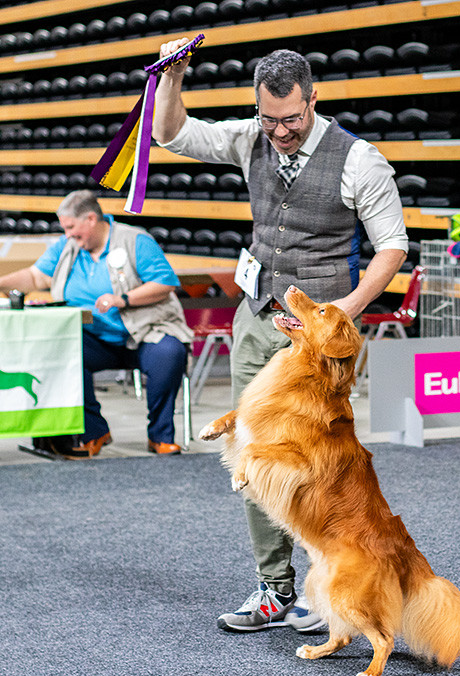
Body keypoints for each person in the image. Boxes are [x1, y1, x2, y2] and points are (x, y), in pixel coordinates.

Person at [153, 42, 409, 633]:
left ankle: (332, 578)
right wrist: (172, 78)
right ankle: (274, 589)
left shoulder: (359, 160)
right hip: (257, 314)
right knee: (252, 454)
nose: (280, 131)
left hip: (319, 341)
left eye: (291, 119)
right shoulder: (252, 137)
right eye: (270, 119)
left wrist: (344, 310)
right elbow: (172, 133)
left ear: (312, 100)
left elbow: (391, 246)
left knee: (319, 461)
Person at [0, 190, 193, 457]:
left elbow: (165, 283)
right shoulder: (68, 247)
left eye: (71, 228)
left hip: (145, 332)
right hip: (94, 338)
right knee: (60, 352)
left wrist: (124, 299)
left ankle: (160, 436)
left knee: (170, 353)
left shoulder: (135, 240)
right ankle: (95, 430)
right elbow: (35, 277)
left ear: (90, 218)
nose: (68, 235)